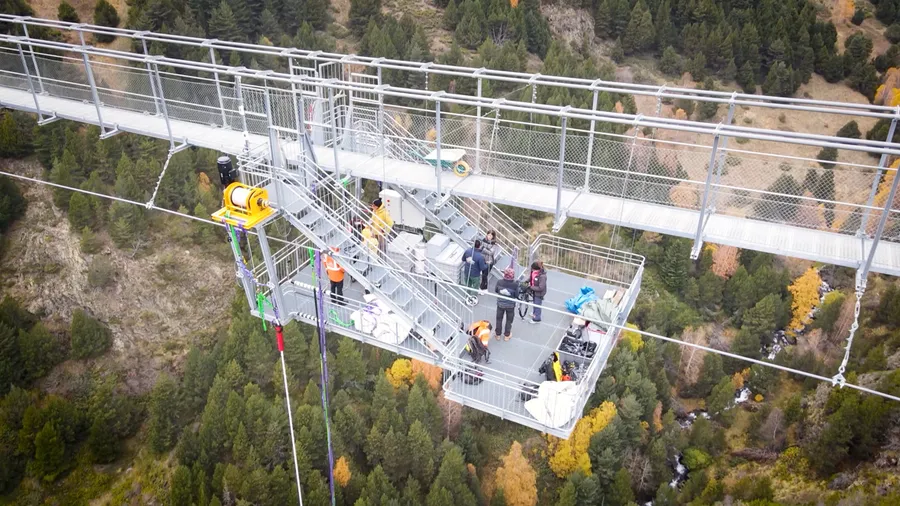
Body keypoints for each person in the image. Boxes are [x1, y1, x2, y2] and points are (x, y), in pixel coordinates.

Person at [494, 268, 519, 341]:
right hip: (510, 306)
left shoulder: (499, 282)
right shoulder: (515, 284)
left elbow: (496, 290)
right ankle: (507, 335)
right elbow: (516, 295)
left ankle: (498, 335)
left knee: (499, 319)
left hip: (500, 304)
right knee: (509, 320)